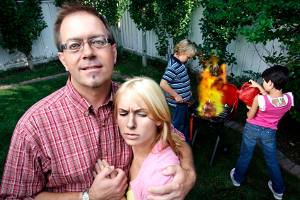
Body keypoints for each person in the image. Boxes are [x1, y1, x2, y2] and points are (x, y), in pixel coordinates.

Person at [0, 2, 196, 200]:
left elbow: (176, 139)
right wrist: (87, 197)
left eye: (98, 41)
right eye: (74, 45)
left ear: (114, 52)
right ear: (63, 60)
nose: (88, 53)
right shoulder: (33, 126)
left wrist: (188, 174)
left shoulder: (135, 102)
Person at [230, 65, 294, 200]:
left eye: (264, 81)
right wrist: (260, 87)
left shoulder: (259, 100)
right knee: (271, 160)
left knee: (245, 155)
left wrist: (249, 107)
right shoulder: (289, 99)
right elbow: (273, 102)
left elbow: (249, 117)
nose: (263, 83)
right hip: (270, 133)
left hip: (252, 130)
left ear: (270, 83)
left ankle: (237, 179)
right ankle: (278, 191)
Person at [114, 77, 183, 199]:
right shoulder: (135, 144)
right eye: (123, 113)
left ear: (159, 118)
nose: (130, 124)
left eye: (141, 114)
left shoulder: (162, 176)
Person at [160, 39, 197, 143]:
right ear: (181, 52)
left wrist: (186, 91)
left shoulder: (177, 61)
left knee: (183, 123)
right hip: (177, 105)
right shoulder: (174, 66)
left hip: (183, 103)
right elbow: (163, 83)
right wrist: (176, 95)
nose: (188, 60)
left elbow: (179, 80)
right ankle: (175, 145)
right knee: (176, 127)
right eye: (188, 57)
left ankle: (184, 143)